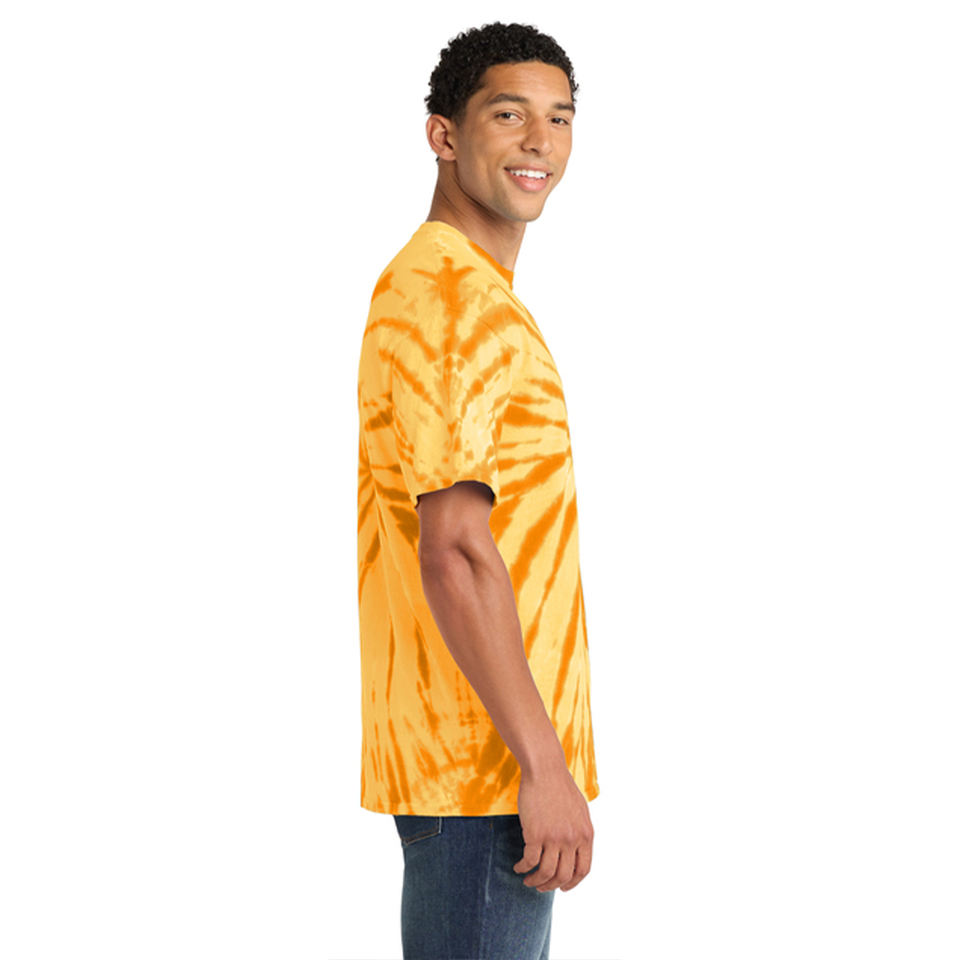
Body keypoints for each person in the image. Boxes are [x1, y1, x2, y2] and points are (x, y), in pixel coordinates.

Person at [355, 22, 598, 960]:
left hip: (481, 767)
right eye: (509, 114)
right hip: (483, 772)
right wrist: (542, 763)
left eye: (559, 118)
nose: (540, 140)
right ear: (444, 135)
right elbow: (453, 547)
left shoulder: (466, 290)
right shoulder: (449, 296)